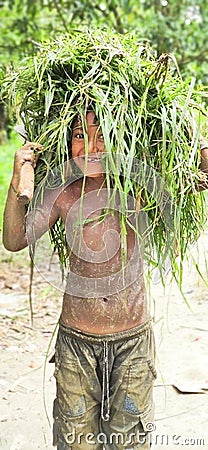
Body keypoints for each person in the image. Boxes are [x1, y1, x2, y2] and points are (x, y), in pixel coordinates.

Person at [3, 110, 208, 450]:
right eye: (80, 136)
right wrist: (16, 180)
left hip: (132, 344)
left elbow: (204, 170)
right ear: (67, 143)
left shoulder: (141, 187)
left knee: (130, 441)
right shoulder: (63, 193)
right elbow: (14, 239)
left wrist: (187, 128)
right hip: (77, 345)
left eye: (102, 135)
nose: (90, 146)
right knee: (76, 441)